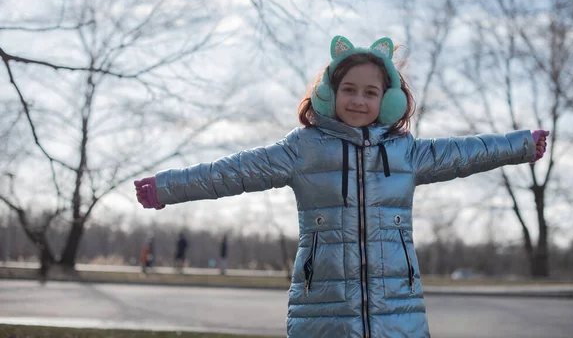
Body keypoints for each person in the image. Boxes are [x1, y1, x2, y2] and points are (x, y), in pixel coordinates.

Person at [134, 36, 549, 338]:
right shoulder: (303, 149)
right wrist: (165, 187)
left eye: (371, 92)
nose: (358, 100)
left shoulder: (407, 153)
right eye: (349, 89)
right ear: (331, 94)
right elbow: (232, 171)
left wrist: (522, 144)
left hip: (398, 306)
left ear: (387, 101)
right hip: (323, 306)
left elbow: (467, 153)